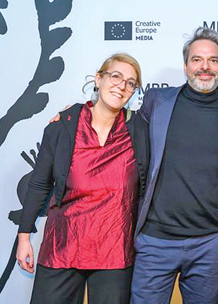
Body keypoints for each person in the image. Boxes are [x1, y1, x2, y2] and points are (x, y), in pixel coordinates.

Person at [16, 53, 149, 304]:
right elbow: (40, 183)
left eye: (130, 83)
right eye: (116, 76)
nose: (122, 86)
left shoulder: (140, 130)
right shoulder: (62, 126)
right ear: (98, 79)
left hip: (114, 253)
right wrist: (24, 237)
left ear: (134, 92)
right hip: (63, 246)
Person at [131, 27, 218, 304]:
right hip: (155, 240)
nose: (205, 67)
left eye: (213, 60)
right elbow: (117, 126)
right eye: (197, 60)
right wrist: (81, 112)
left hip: (210, 244)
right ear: (185, 66)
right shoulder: (156, 102)